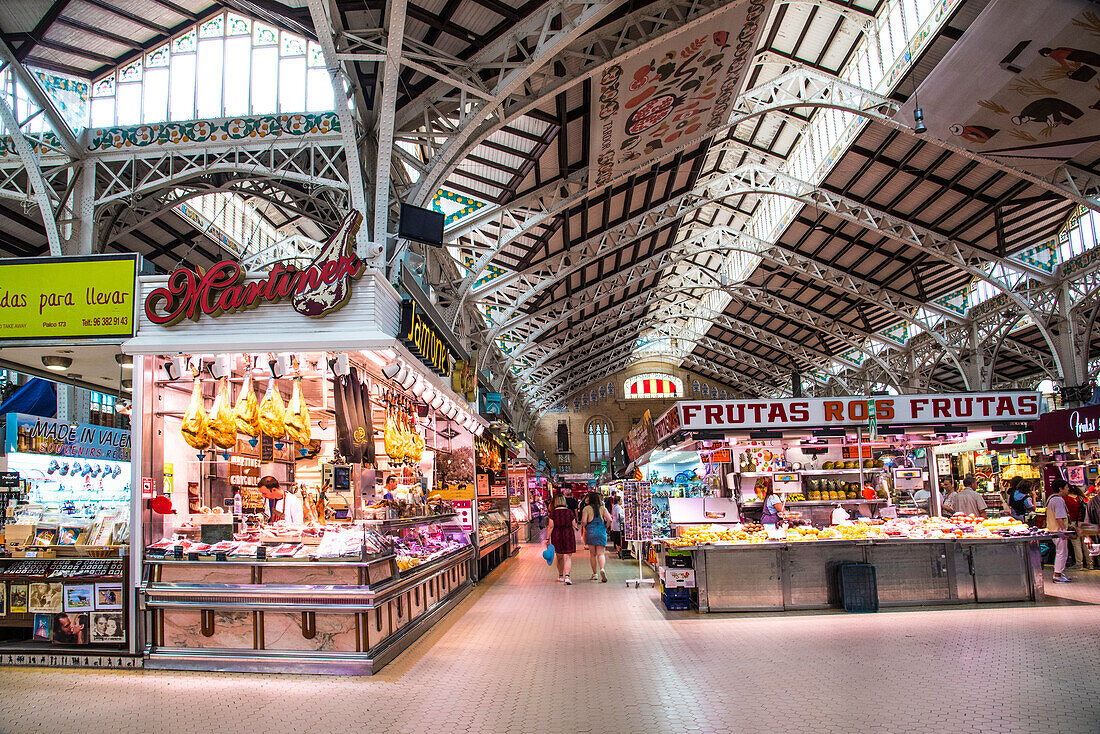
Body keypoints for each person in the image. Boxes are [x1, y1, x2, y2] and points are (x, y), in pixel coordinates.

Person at [580, 491, 613, 582]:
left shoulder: (586, 509)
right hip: (601, 531)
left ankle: (595, 574)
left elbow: (583, 522)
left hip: (591, 532)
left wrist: (585, 527)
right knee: (601, 554)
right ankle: (602, 569)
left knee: (592, 555)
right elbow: (610, 519)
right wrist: (606, 526)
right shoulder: (603, 508)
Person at [546, 493, 578, 584]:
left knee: (559, 556)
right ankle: (567, 576)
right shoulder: (569, 512)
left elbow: (551, 527)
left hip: (557, 534)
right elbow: (574, 525)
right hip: (568, 534)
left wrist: (547, 539)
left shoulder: (553, 513)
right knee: (567, 556)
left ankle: (560, 576)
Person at [1048, 480, 1072, 582]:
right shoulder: (1058, 500)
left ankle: (1059, 573)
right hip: (1058, 531)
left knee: (1061, 552)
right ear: (1060, 489)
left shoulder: (1051, 499)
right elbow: (1059, 518)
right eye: (1066, 487)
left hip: (1053, 529)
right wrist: (1064, 532)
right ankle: (1057, 575)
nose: (1068, 489)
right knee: (1062, 553)